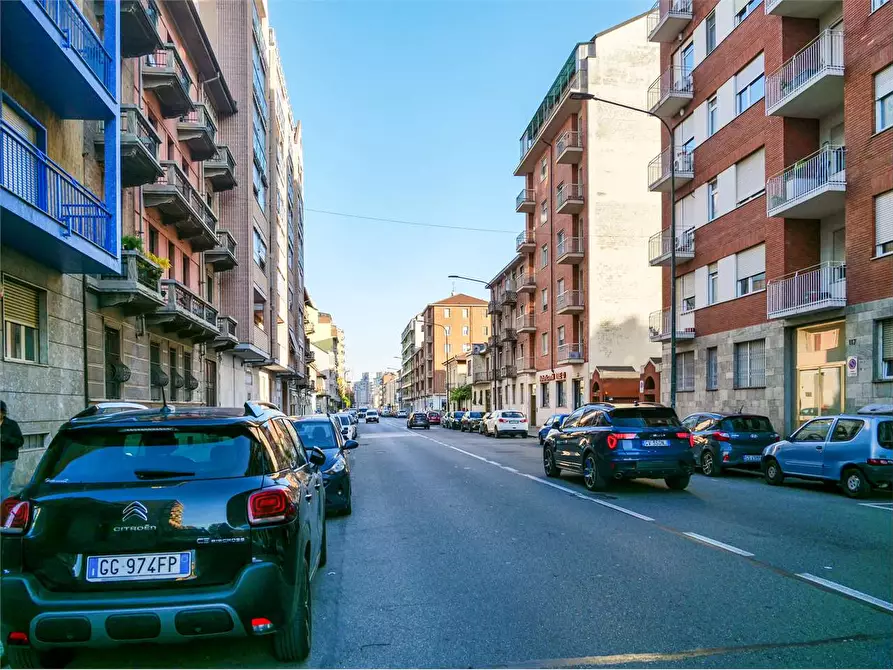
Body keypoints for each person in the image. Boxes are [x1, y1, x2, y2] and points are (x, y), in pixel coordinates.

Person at [1, 401, 24, 499]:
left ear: (3, 412)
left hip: (6, 461)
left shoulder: (12, 424)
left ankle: (3, 512)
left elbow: (20, 442)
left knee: (2, 488)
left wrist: (4, 438)